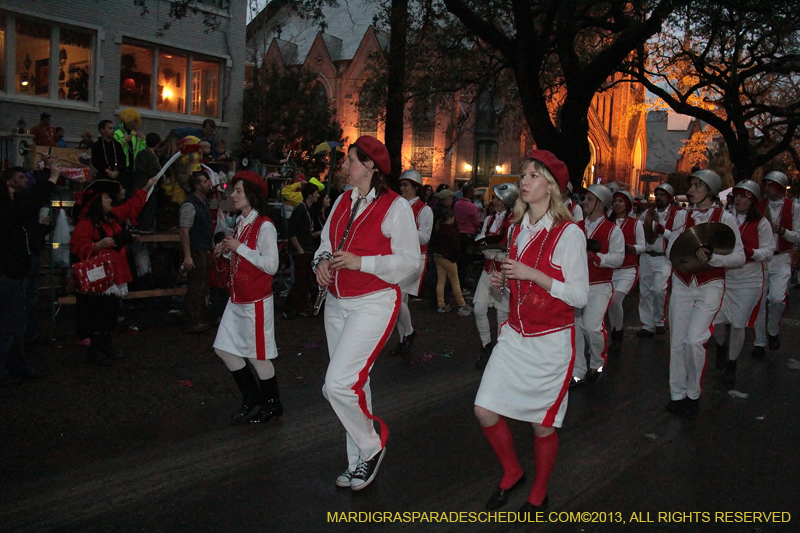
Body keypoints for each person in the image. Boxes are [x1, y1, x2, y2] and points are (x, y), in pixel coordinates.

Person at [474, 150, 588, 516]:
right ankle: (513, 471)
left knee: (542, 424)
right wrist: (502, 282)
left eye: (534, 175)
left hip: (551, 341)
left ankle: (540, 490)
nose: (524, 181)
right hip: (514, 335)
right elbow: (515, 287)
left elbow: (579, 296)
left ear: (552, 188)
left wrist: (532, 274)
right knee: (484, 410)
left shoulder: (569, 233)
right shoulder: (517, 228)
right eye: (524, 174)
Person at [313, 135, 419, 491]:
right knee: (356, 382)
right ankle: (357, 460)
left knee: (337, 384)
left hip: (374, 302)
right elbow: (325, 243)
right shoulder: (343, 199)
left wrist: (362, 262)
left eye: (352, 161)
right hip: (337, 303)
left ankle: (372, 447)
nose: (345, 167)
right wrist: (321, 263)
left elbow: (410, 262)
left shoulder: (396, 206)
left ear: (370, 166)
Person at [665, 169, 744, 417]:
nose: (692, 190)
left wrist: (713, 257)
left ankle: (693, 394)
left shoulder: (725, 218)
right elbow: (671, 252)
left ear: (710, 190)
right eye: (692, 185)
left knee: (694, 340)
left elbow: (739, 256)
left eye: (698, 186)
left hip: (710, 284)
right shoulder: (681, 216)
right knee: (677, 342)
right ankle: (677, 394)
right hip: (682, 282)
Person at [213, 171, 283, 424]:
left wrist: (238, 248)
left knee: (258, 356)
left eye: (238, 191)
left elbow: (271, 265)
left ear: (252, 195)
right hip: (238, 298)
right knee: (223, 348)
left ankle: (272, 403)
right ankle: (252, 397)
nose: (233, 195)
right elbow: (245, 258)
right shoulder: (241, 222)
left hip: (256, 300)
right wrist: (227, 252)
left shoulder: (264, 225)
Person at [70, 176, 157, 366]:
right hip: (97, 279)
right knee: (98, 314)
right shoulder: (86, 224)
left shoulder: (112, 217)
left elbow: (131, 206)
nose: (110, 200)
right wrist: (97, 245)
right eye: (106, 198)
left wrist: (146, 187)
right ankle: (96, 349)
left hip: (113, 275)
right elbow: (78, 246)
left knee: (110, 312)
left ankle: (106, 345)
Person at [1, 165, 59, 385]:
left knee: (15, 325)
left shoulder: (14, 213)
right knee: (8, 327)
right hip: (8, 275)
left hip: (16, 272)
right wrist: (51, 179)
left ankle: (17, 364)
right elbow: (33, 198)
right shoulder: (8, 213)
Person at [712, 180, 773, 386]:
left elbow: (769, 251)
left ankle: (732, 364)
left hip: (749, 279)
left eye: (744, 196)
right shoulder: (726, 218)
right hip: (726, 275)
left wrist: (751, 253)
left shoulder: (761, 223)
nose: (738, 199)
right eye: (736, 195)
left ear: (753, 200)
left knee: (738, 323)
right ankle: (721, 346)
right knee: (717, 319)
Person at [571, 184, 623, 387]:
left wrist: (598, 258)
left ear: (601, 204)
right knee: (574, 328)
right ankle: (578, 371)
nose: (584, 202)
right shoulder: (576, 227)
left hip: (600, 284)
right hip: (577, 284)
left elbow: (618, 258)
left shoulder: (613, 230)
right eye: (585, 199)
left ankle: (598, 362)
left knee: (591, 327)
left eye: (589, 199)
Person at [752, 171, 800, 357]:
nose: (768, 188)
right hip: (763, 259)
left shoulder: (793, 207)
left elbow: (798, 236)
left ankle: (773, 329)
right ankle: (759, 341)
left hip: (782, 258)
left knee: (776, 299)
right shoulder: (759, 207)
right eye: (767, 185)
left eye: (772, 185)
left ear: (780, 188)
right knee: (760, 299)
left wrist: (783, 232)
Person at [473, 184, 517, 370]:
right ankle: (486, 345)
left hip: (502, 271)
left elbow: (511, 247)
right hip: (488, 269)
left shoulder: (514, 221)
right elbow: (483, 239)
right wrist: (484, 247)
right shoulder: (490, 219)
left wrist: (494, 253)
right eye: (494, 198)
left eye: (498, 198)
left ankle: (501, 351)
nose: (494, 201)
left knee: (502, 313)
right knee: (478, 307)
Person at [390, 169, 433, 360]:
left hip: (415, 259)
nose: (402, 188)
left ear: (416, 188)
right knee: (401, 301)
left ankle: (409, 333)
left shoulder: (425, 209)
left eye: (406, 185)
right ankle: (404, 340)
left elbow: (425, 236)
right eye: (401, 185)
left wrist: (403, 233)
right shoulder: (397, 207)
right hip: (398, 258)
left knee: (396, 297)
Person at [637, 183, 681, 337]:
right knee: (645, 291)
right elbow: (641, 233)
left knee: (659, 289)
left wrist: (662, 230)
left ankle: (660, 320)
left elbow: (678, 237)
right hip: (647, 256)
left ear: (669, 198)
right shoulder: (647, 214)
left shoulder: (677, 215)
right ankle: (647, 325)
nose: (659, 198)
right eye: (658, 195)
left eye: (663, 195)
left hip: (664, 258)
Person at [607, 189, 645, 353]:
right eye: (615, 201)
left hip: (627, 270)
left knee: (615, 300)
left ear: (628, 205)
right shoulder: (608, 223)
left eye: (621, 201)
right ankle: (614, 331)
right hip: (609, 269)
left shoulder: (636, 224)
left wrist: (630, 248)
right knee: (609, 303)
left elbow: (643, 246)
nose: (617, 204)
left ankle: (618, 332)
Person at [180, 170, 214, 333]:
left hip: (203, 248)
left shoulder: (202, 204)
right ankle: (192, 320)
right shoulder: (190, 205)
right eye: (204, 181)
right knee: (196, 286)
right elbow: (184, 231)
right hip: (196, 250)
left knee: (201, 286)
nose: (208, 183)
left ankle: (197, 317)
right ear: (196, 185)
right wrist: (187, 256)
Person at [283, 181, 321, 319]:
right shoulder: (300, 210)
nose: (318, 195)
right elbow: (291, 232)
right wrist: (299, 250)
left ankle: (298, 307)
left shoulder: (308, 210)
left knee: (304, 281)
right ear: (310, 195)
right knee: (299, 281)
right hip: (302, 250)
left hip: (306, 248)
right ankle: (290, 308)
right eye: (316, 193)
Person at [429, 208, 471, 315]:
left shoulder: (438, 229)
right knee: (455, 281)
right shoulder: (451, 231)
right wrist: (456, 258)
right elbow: (456, 247)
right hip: (448, 258)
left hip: (438, 257)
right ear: (451, 218)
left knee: (441, 281)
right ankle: (461, 303)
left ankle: (441, 304)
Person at [454, 183, 481, 289]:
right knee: (465, 261)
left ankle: (457, 282)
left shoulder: (456, 204)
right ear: (469, 193)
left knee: (459, 261)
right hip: (468, 235)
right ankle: (462, 283)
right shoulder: (472, 206)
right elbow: (476, 222)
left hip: (458, 234)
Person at [114, 108, 146, 173]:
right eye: (132, 122)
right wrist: (124, 141)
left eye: (135, 121)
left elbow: (140, 150)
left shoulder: (135, 134)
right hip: (120, 168)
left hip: (133, 169)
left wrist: (144, 141)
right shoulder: (117, 133)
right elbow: (114, 148)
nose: (134, 124)